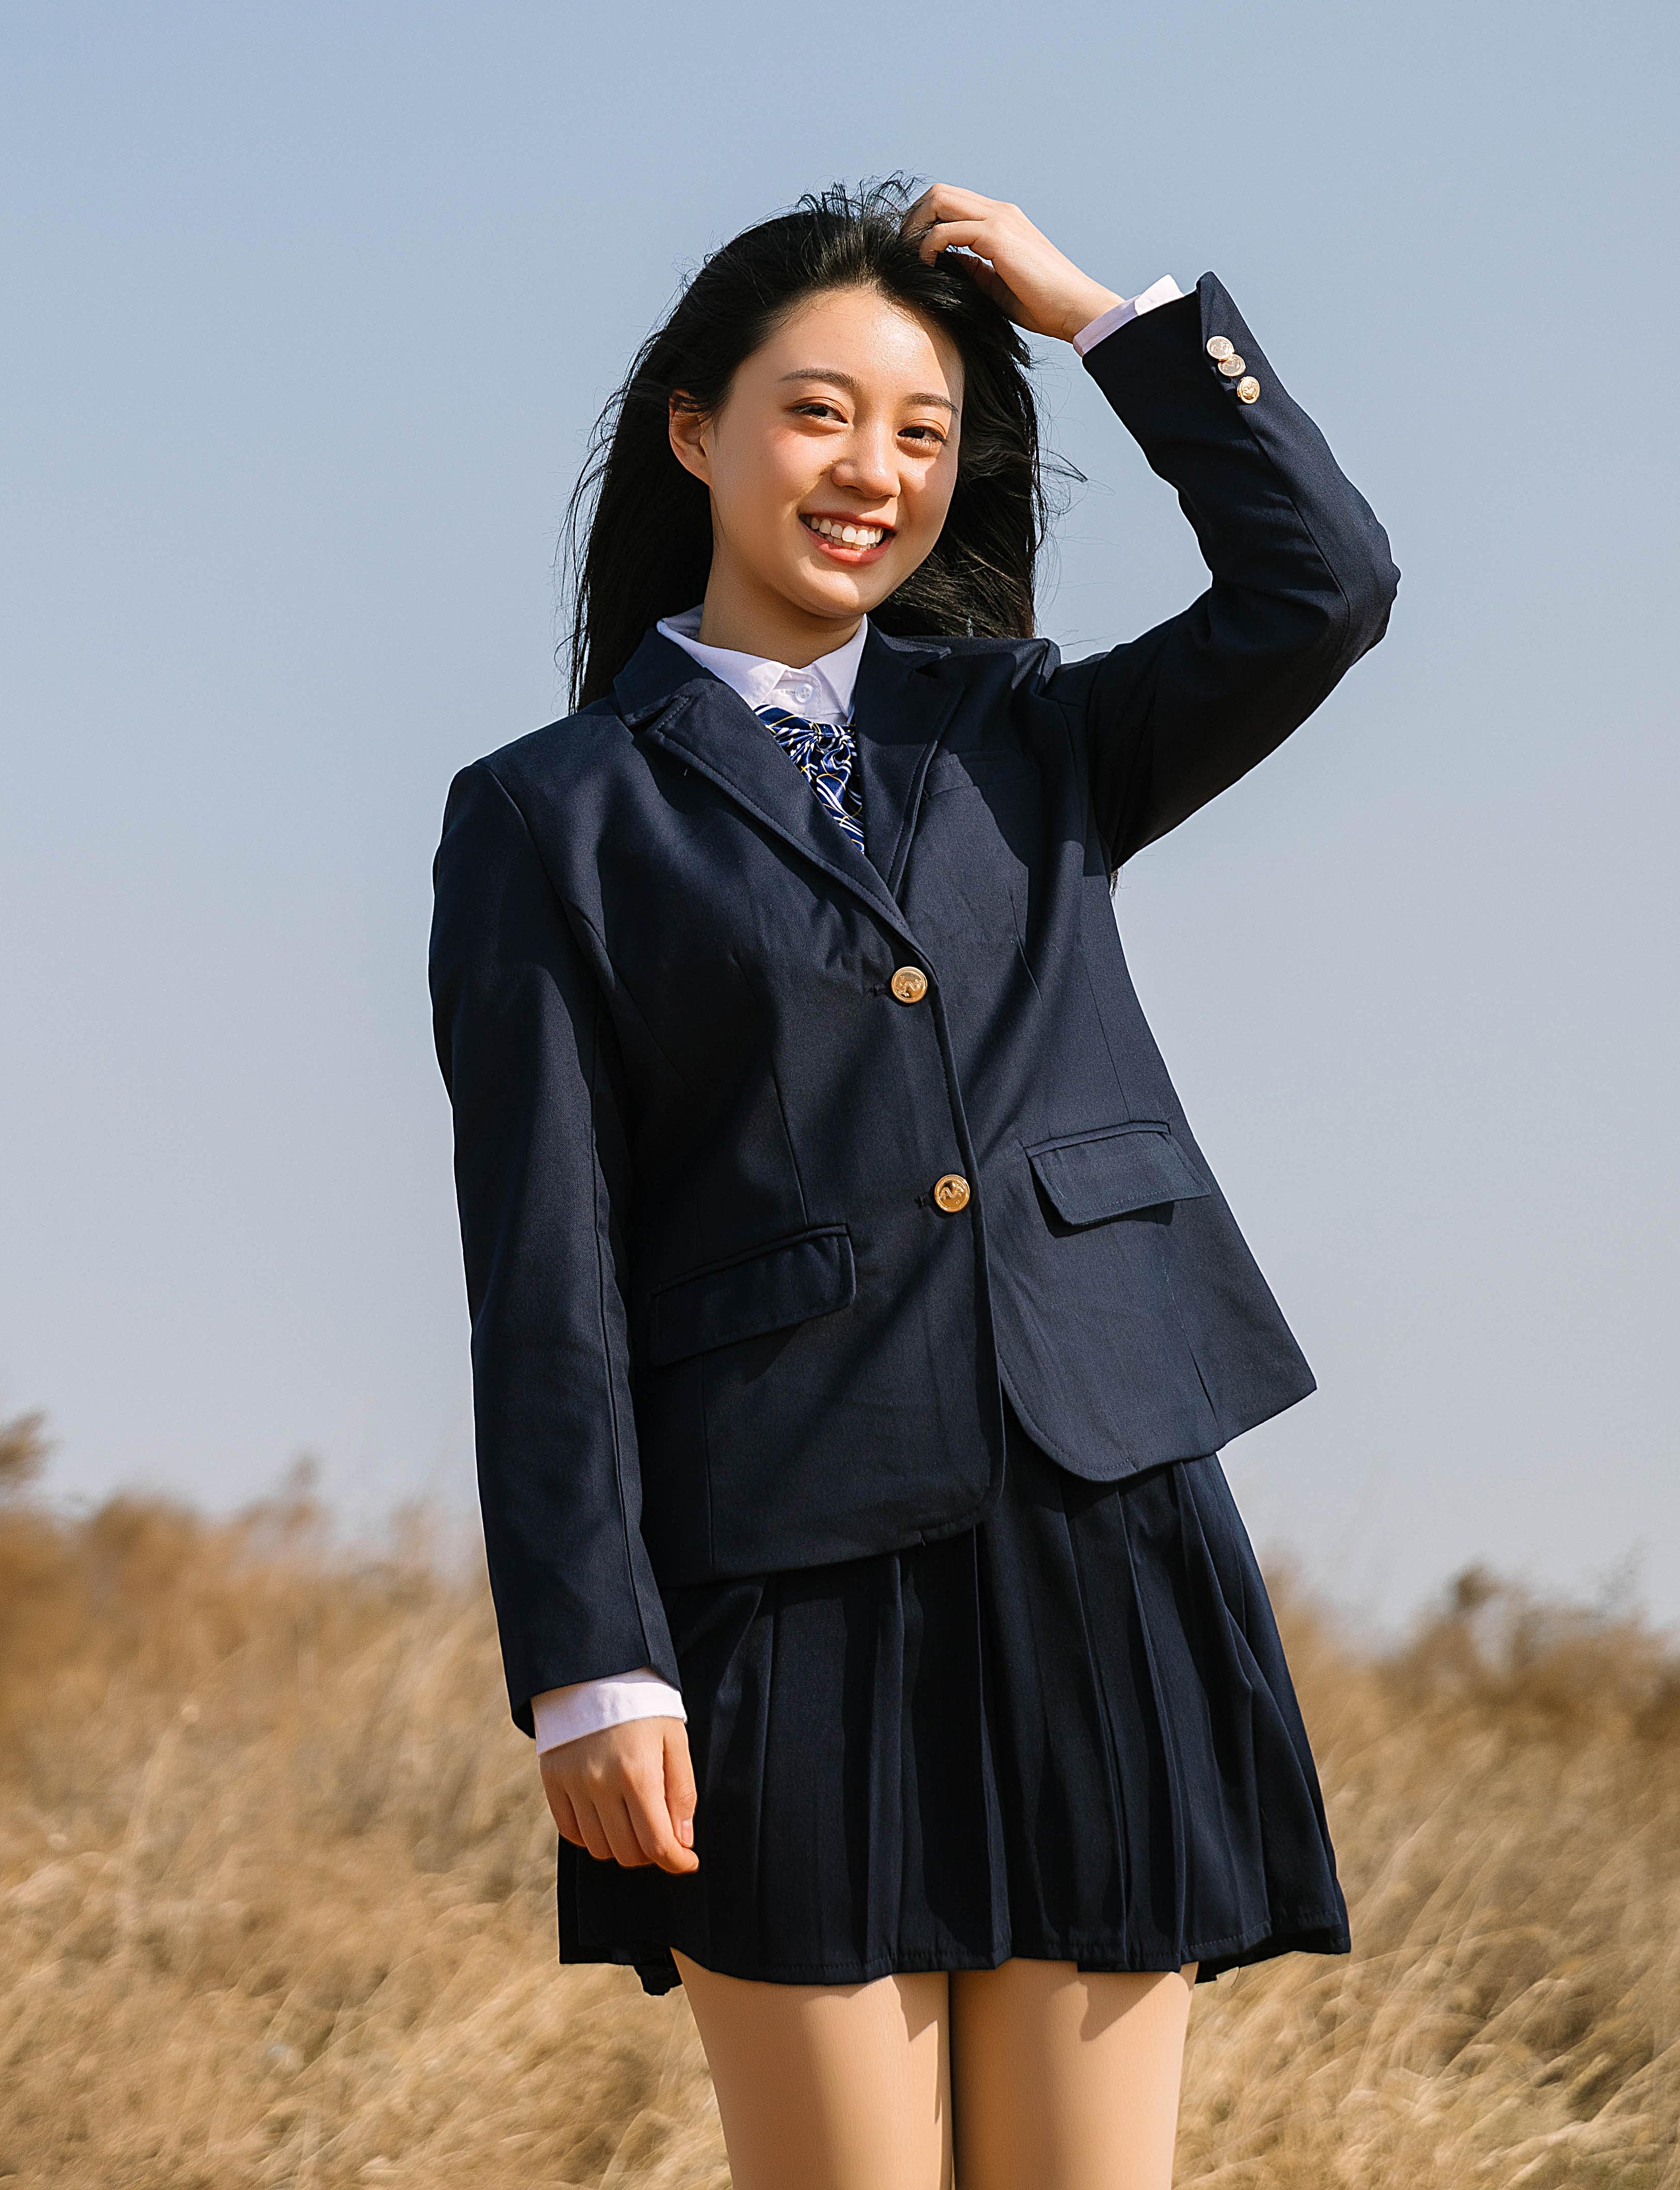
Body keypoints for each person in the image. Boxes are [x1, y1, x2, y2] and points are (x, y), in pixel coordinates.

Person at [430, 180, 1398, 2190]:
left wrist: (1097, 317)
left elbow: (1322, 584)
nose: (875, 471)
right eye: (818, 413)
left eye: (924, 429)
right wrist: (590, 1662)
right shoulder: (549, 816)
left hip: (1099, 1529)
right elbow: (549, 1270)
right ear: (691, 429)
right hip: (779, 1576)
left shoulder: (1032, 733)